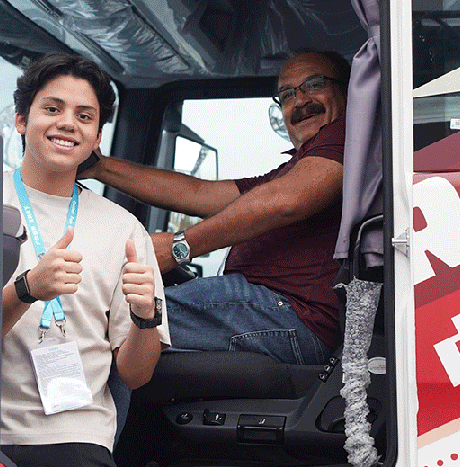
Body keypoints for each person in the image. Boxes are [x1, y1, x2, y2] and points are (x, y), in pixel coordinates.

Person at [0, 52, 170, 467]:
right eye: (52, 109)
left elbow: (135, 374)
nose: (67, 124)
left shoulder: (123, 228)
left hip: (77, 446)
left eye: (84, 116)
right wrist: (27, 289)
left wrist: (144, 318)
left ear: (97, 139)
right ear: (22, 119)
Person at [79, 50, 348, 372]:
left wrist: (178, 248)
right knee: (116, 318)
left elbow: (287, 200)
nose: (300, 100)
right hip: (270, 311)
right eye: (287, 94)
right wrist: (101, 168)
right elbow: (199, 194)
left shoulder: (346, 136)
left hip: (290, 314)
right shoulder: (298, 167)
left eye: (314, 84)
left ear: (348, 91)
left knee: (104, 316)